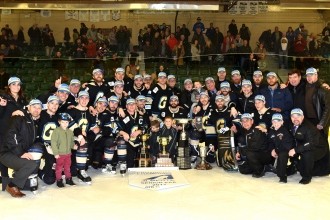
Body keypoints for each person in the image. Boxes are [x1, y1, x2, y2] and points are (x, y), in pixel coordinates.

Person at [0, 99, 42, 197]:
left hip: (17, 152)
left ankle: (15, 180)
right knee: (31, 165)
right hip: (7, 153)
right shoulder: (19, 117)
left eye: (39, 108)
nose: (36, 110)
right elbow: (11, 136)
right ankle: (11, 185)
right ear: (28, 107)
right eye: (34, 107)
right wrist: (20, 153)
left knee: (32, 163)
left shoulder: (33, 121)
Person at [289, 108, 329, 184]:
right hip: (305, 146)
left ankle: (307, 177)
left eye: (298, 116)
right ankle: (297, 165)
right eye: (293, 116)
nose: (295, 119)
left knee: (307, 154)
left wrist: (295, 150)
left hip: (318, 148)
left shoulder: (308, 127)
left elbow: (311, 144)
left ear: (303, 117)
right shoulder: (291, 125)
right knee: (301, 168)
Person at [235, 113, 272, 178]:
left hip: (264, 154)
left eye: (247, 120)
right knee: (243, 170)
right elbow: (241, 144)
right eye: (243, 121)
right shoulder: (243, 131)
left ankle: (261, 170)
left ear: (252, 121)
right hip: (253, 154)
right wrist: (238, 151)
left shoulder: (257, 130)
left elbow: (254, 147)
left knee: (250, 154)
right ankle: (262, 167)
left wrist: (241, 152)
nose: (245, 123)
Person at [51, 113, 76, 188]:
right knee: (59, 168)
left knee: (67, 167)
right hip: (60, 154)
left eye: (66, 122)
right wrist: (56, 153)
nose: (65, 124)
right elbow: (53, 142)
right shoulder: (56, 131)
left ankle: (68, 179)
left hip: (68, 154)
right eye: (63, 122)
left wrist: (74, 146)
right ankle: (59, 180)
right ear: (59, 122)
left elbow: (71, 141)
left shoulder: (70, 132)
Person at [268, 113, 294, 183]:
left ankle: (283, 177)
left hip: (285, 151)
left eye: (278, 121)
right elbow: (270, 142)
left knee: (282, 156)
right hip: (277, 150)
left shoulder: (285, 131)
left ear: (282, 122)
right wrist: (272, 149)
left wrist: (277, 150)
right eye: (274, 121)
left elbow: (288, 145)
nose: (276, 123)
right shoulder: (271, 131)